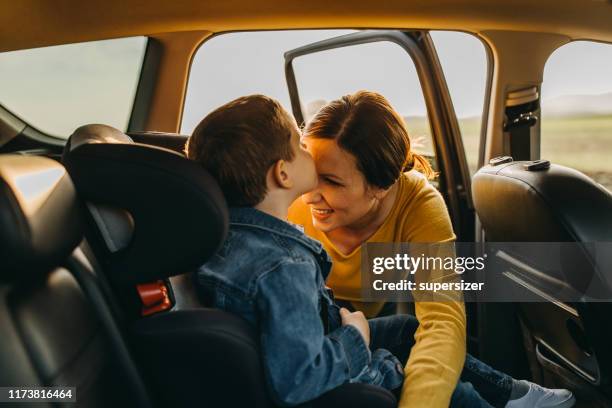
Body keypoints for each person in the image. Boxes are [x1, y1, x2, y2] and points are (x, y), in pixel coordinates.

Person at [186, 94, 573, 408]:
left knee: (409, 332)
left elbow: (441, 320)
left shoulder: (415, 205)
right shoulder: (284, 227)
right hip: (334, 353)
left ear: (382, 187)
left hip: (327, 334)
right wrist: (354, 340)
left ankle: (511, 394)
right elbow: (300, 369)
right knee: (402, 366)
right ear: (284, 171)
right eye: (305, 156)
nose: (312, 192)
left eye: (332, 181)